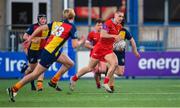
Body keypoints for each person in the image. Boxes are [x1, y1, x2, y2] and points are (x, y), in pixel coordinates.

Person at [7, 8, 85, 102]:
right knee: (35, 74)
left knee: (70, 63)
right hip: (50, 53)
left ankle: (54, 81)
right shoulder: (72, 27)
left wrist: (30, 38)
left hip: (52, 51)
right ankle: (14, 89)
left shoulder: (56, 23)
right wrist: (81, 41)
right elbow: (74, 45)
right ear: (73, 16)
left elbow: (40, 28)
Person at [69, 10, 124, 93]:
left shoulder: (119, 26)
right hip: (99, 49)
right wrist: (114, 36)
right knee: (89, 68)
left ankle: (105, 82)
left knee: (115, 63)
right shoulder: (108, 23)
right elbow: (103, 35)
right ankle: (73, 79)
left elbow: (113, 39)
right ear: (115, 16)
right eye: (119, 16)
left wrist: (118, 42)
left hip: (108, 50)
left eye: (122, 17)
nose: (121, 18)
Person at [21, 14, 48, 91]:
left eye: (44, 19)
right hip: (32, 50)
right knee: (32, 70)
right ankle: (31, 82)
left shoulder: (48, 27)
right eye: (41, 19)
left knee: (41, 66)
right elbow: (24, 36)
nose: (43, 20)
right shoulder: (33, 26)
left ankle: (39, 86)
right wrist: (32, 39)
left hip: (42, 50)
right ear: (38, 19)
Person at [84, 19, 107, 89]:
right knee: (96, 70)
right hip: (94, 55)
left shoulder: (106, 33)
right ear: (95, 26)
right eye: (98, 25)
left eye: (101, 25)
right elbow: (86, 45)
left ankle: (107, 82)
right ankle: (98, 82)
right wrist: (94, 47)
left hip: (103, 55)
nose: (100, 27)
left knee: (103, 70)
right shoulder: (91, 34)